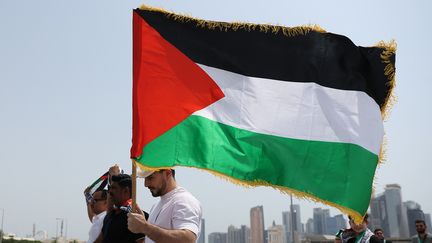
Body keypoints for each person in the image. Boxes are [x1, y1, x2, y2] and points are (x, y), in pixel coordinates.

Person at [128, 169, 202, 243]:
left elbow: (188, 240)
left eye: (150, 177)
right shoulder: (156, 205)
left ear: (167, 173)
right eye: (145, 178)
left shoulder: (184, 200)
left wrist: (144, 227)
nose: (146, 184)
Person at [98, 174, 148, 243]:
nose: (110, 192)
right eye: (110, 188)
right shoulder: (109, 216)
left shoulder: (137, 217)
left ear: (126, 191)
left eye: (114, 188)